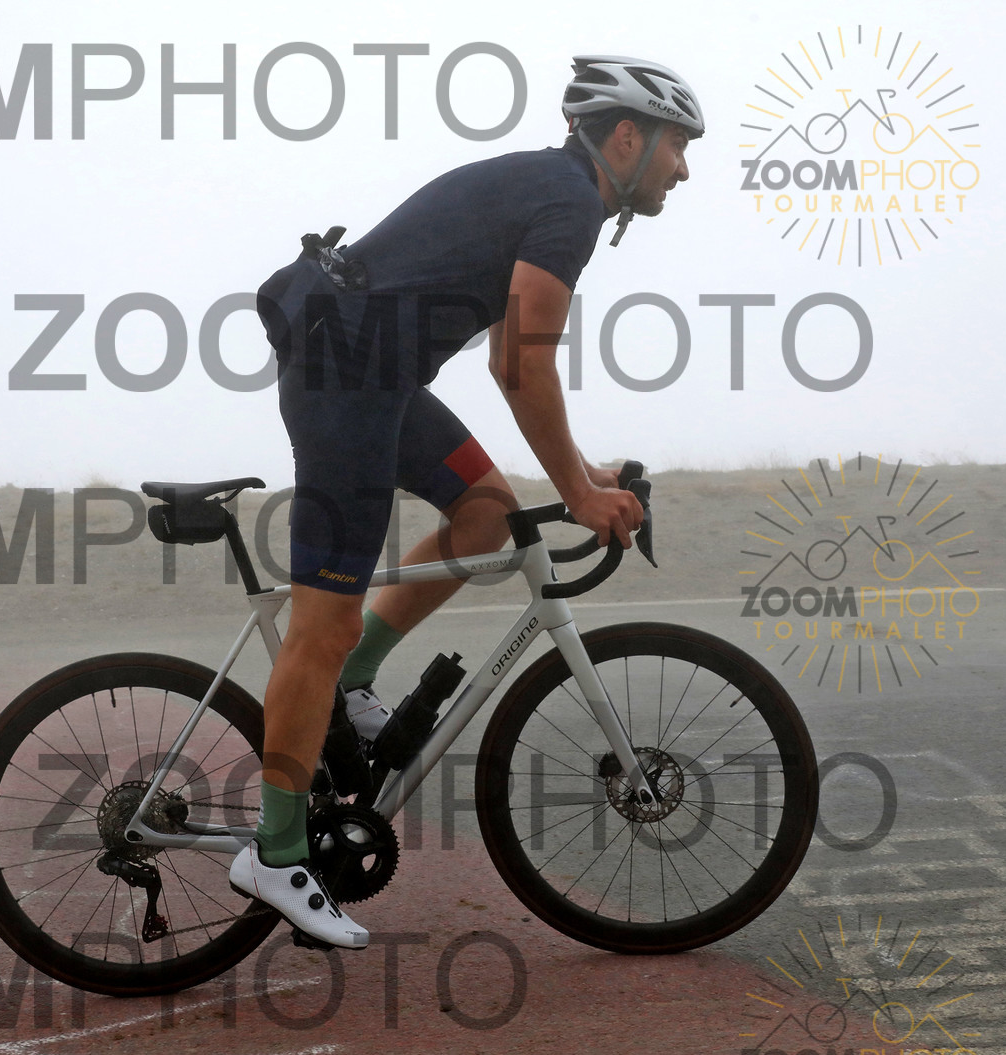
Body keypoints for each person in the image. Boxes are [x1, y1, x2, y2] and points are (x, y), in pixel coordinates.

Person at [228, 56, 705, 949]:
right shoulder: (568, 202)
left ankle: (352, 682)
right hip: (347, 384)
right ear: (626, 137)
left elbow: (511, 352)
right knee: (319, 629)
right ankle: (277, 851)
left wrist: (583, 473)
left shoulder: (551, 190)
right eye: (678, 145)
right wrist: (578, 493)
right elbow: (518, 360)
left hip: (374, 377)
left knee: (487, 513)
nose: (683, 168)